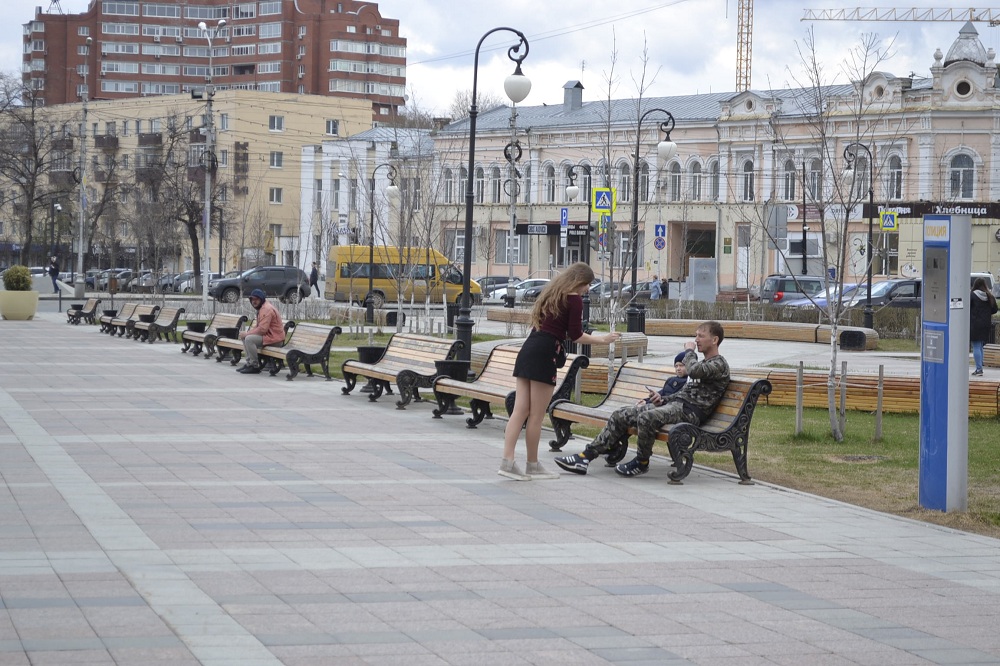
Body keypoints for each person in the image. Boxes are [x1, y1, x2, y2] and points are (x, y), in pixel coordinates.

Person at [555, 321, 730, 477]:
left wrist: (689, 351)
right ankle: (585, 457)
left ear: (714, 340)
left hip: (690, 413)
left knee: (646, 418)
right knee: (621, 414)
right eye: (696, 336)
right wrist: (662, 399)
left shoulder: (719, 364)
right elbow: (686, 393)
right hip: (677, 407)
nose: (696, 339)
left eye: (701, 336)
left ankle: (642, 462)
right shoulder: (704, 364)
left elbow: (694, 372)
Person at [500, 262, 621, 481]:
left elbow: (553, 327)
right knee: (536, 415)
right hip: (545, 353)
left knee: (520, 411)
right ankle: (533, 465)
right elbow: (576, 335)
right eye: (587, 285)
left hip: (529, 348)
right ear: (579, 281)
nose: (586, 290)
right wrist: (603, 339)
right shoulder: (573, 299)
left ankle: (507, 461)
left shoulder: (551, 294)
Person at [237, 288, 284, 374]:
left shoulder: (266, 309)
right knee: (246, 337)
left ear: (261, 299)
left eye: (256, 299)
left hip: (275, 340)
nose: (254, 302)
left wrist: (247, 333)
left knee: (249, 339)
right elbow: (259, 327)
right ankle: (249, 364)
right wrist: (246, 334)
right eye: (252, 299)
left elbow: (262, 329)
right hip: (269, 337)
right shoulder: (262, 308)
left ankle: (254, 365)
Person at [970, 277, 997, 376]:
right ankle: (979, 366)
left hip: (975, 323)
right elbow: (994, 309)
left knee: (976, 346)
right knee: (980, 346)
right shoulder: (990, 296)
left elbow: (967, 308)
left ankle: (979, 369)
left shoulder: (972, 295)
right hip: (986, 324)